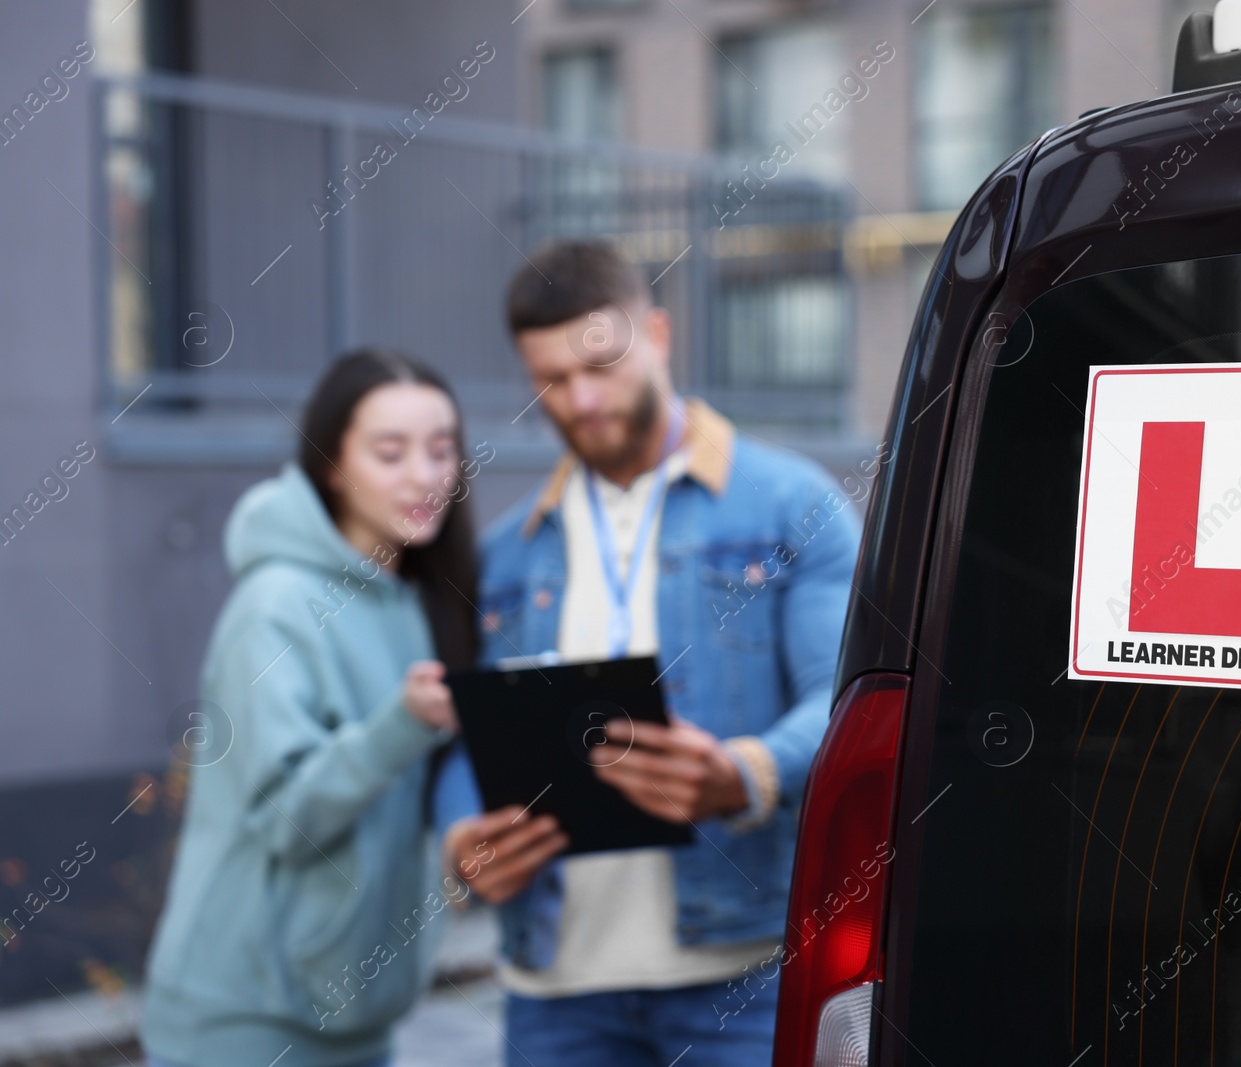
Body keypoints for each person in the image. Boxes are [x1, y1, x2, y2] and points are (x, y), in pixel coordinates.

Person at [432, 240, 861, 1065]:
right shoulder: (505, 560)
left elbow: (844, 701)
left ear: (658, 333)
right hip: (554, 990)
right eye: (551, 380)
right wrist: (463, 843)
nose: (582, 399)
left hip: (738, 978)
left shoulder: (793, 506)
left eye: (601, 364)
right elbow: (465, 741)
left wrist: (746, 771)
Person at [141, 349, 485, 1067]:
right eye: (391, 453)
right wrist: (403, 725)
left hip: (360, 1016)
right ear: (333, 464)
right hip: (246, 1017)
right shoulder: (274, 608)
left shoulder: (425, 601)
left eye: (441, 450)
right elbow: (286, 817)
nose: (424, 475)